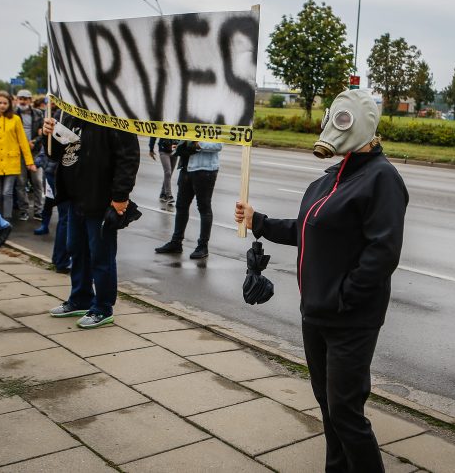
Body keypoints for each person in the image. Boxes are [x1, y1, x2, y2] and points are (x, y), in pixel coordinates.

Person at [235, 89, 409, 473]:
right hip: (315, 314)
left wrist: (344, 297)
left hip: (349, 320)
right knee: (328, 409)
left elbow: (383, 252)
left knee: (346, 413)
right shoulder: (332, 178)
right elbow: (306, 229)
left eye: (341, 119)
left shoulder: (382, 179)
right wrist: (257, 220)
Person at [42, 112, 140, 328]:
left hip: (100, 199)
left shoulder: (114, 113)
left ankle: (103, 308)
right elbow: (55, 154)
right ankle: (80, 298)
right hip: (74, 198)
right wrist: (47, 134)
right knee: (76, 250)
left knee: (101, 256)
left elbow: (129, 157)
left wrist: (120, 196)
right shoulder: (69, 113)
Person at [155, 139, 222, 259]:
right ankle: (176, 242)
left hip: (205, 169)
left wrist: (197, 144)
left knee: (204, 207)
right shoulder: (189, 120)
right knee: (181, 206)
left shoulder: (215, 122)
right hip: (186, 167)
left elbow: (219, 145)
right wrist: (180, 144)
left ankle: (203, 246)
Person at [0, 91, 36, 221]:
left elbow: (23, 142)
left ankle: (7, 219)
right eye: (0, 103)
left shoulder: (15, 119)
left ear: (10, 104)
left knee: (7, 192)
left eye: (5, 103)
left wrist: (29, 162)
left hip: (12, 162)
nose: (2, 106)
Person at [34, 107, 71, 274]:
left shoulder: (59, 112)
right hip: (57, 171)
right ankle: (61, 260)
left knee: (64, 216)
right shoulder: (62, 113)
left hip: (54, 170)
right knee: (66, 217)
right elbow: (54, 146)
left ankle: (59, 258)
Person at [15, 89, 45, 221]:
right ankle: (24, 210)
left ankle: (38, 210)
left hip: (35, 152)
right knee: (21, 183)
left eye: (25, 98)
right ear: (17, 99)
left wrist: (35, 141)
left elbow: (44, 132)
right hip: (19, 153)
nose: (23, 101)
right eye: (20, 98)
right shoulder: (13, 114)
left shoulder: (39, 113)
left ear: (30, 100)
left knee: (37, 182)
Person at [149, 137, 179, 204]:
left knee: (169, 174)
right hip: (164, 150)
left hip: (174, 150)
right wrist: (151, 149)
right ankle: (169, 195)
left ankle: (163, 194)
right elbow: (153, 135)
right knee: (168, 172)